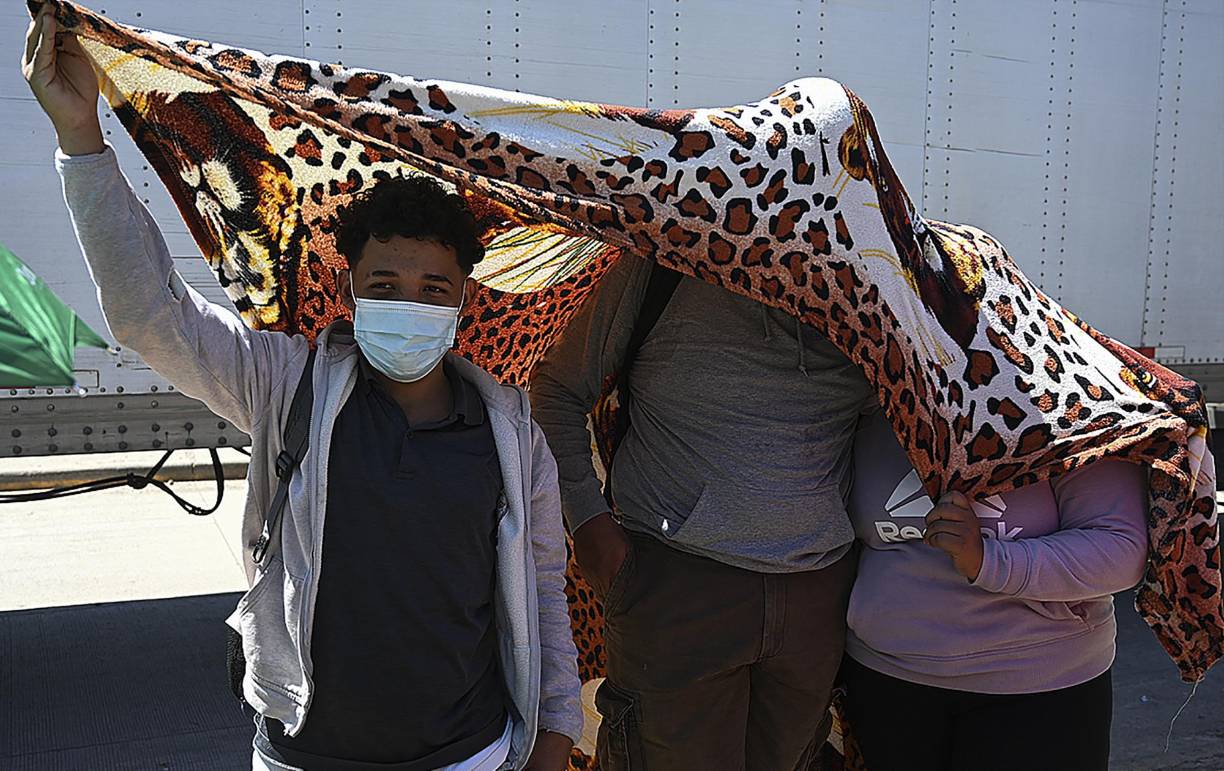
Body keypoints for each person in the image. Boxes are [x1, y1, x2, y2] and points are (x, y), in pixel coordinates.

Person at [22, 10, 581, 771]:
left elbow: (542, 587)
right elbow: (152, 315)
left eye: (432, 288)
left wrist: (555, 731)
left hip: (472, 756)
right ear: (351, 289)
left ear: (462, 305)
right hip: (302, 755)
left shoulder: (513, 433)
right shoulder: (286, 383)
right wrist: (80, 137)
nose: (409, 304)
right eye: (386, 284)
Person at [531, 230, 876, 765]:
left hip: (816, 600)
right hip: (675, 588)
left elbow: (895, 425)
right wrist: (590, 526)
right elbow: (555, 391)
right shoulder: (662, 264)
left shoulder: (870, 294)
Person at [840, 409, 1149, 771]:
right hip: (885, 681)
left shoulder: (1073, 409)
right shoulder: (870, 400)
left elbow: (1120, 549)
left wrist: (986, 559)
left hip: (1040, 692)